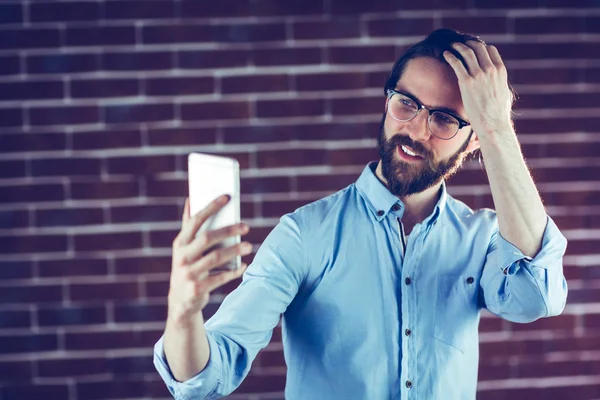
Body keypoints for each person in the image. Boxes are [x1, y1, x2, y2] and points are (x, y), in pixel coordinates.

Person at [153, 29, 568, 400]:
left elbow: (535, 297)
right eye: (406, 104)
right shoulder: (304, 234)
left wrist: (497, 125)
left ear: (474, 139)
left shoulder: (485, 239)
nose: (416, 130)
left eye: (444, 118)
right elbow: (205, 380)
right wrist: (183, 312)